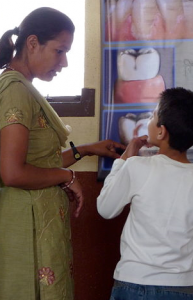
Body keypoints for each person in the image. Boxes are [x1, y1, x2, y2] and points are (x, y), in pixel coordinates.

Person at [0, 7, 125, 300]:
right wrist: (67, 177)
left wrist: (86, 150)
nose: (64, 62)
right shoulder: (15, 90)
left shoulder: (25, 88)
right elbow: (12, 172)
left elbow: (40, 163)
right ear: (32, 43)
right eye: (59, 51)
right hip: (25, 223)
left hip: (38, 220)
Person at [97, 87, 193, 300]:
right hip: (182, 288)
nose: (149, 119)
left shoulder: (136, 167)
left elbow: (105, 208)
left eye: (153, 115)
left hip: (132, 285)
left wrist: (124, 160)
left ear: (161, 132)